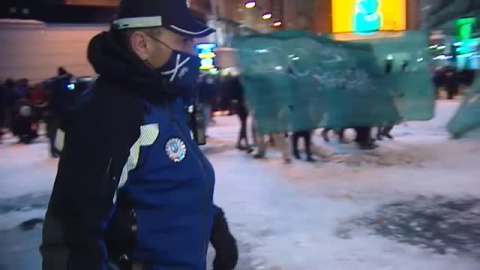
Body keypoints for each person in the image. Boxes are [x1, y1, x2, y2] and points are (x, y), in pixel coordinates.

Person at [40, 1, 237, 269]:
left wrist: (214, 222)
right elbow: (72, 233)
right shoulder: (111, 114)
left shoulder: (164, 100)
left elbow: (166, 185)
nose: (191, 52)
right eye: (182, 41)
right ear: (142, 44)